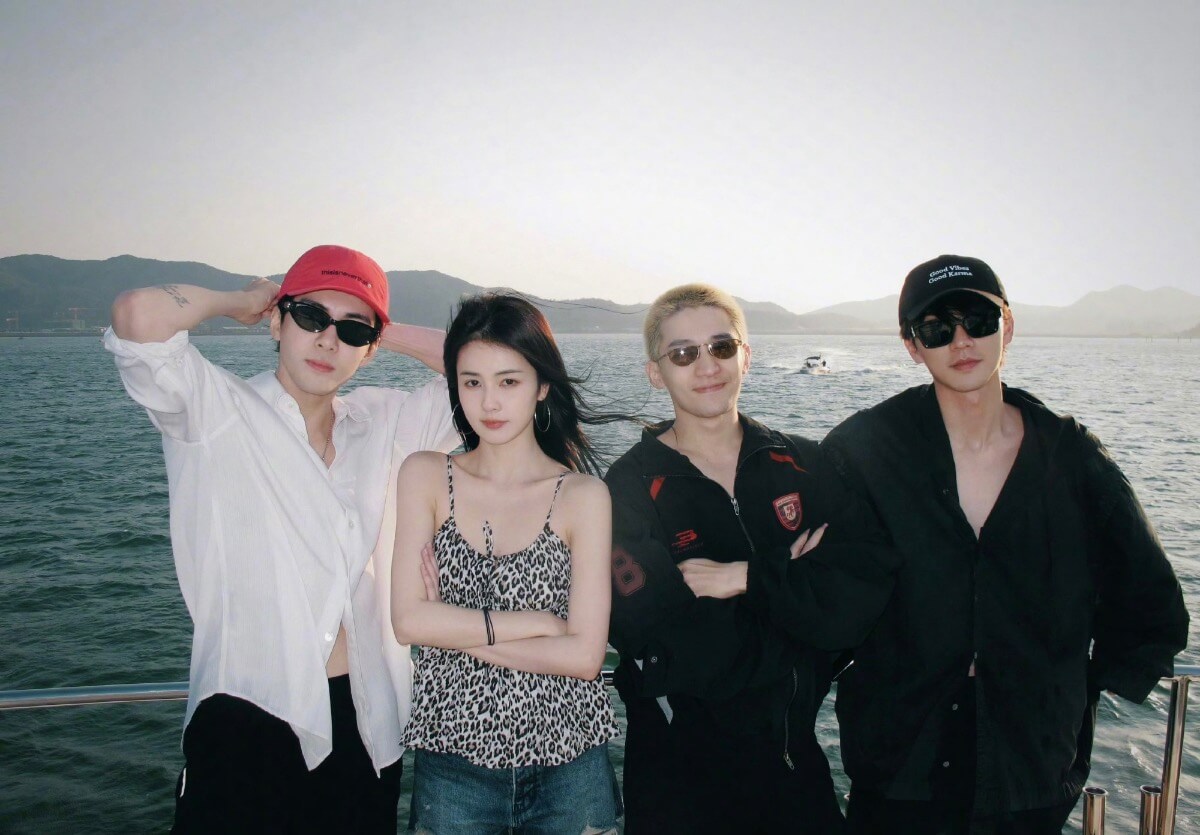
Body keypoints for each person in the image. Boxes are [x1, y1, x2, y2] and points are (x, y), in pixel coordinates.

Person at [821, 254, 1190, 833]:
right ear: (912, 346)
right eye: (936, 329)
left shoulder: (1071, 457)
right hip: (900, 758)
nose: (961, 341)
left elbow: (1151, 598)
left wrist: (1076, 687)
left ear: (1008, 326)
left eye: (979, 320)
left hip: (1028, 763)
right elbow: (819, 579)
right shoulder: (865, 450)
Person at [105, 244, 459, 832]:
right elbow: (138, 315)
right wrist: (244, 299)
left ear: (370, 349)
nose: (327, 340)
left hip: (368, 724)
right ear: (277, 321)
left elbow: (488, 364)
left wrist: (379, 329)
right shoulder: (214, 411)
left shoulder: (387, 423)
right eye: (311, 317)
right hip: (246, 714)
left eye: (350, 330)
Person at [604, 283, 898, 834]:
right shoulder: (627, 488)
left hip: (797, 773)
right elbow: (669, 644)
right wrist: (800, 597)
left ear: (746, 356)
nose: (706, 366)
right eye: (682, 353)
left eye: (721, 347)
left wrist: (748, 580)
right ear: (655, 373)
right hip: (680, 789)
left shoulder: (804, 464)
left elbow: (860, 602)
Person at [391, 292, 621, 834]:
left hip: (570, 759)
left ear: (542, 386)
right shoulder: (426, 475)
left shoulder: (582, 496)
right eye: (472, 382)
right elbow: (407, 622)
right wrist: (538, 624)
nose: (489, 403)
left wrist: (452, 630)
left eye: (508, 381)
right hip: (453, 759)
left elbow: (585, 658)